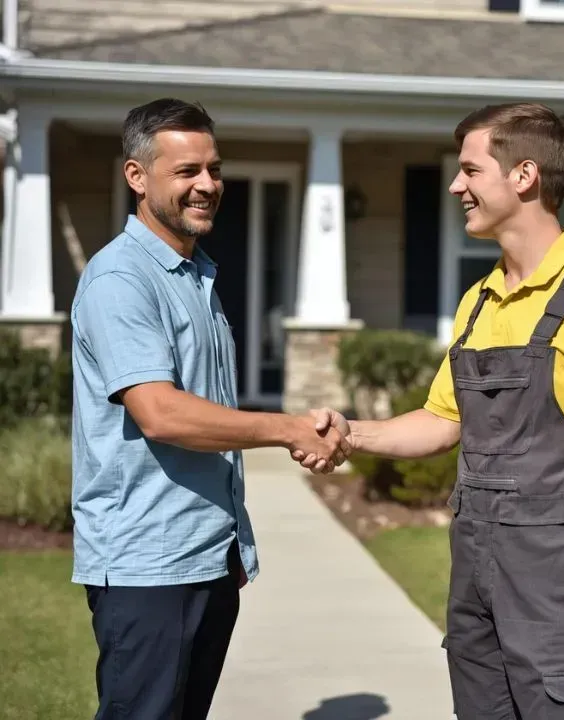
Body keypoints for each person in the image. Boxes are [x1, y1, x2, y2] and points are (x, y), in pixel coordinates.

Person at [300, 103, 564, 718]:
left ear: (523, 175)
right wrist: (350, 433)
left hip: (560, 587)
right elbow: (444, 421)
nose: (455, 186)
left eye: (470, 170)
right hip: (476, 580)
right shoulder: (480, 299)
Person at [70, 97, 350, 720]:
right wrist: (287, 428)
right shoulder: (122, 279)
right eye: (187, 171)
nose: (207, 185)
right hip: (148, 564)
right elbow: (161, 414)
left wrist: (231, 546)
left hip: (204, 554)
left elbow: (209, 410)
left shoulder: (194, 275)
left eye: (214, 169)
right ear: (136, 177)